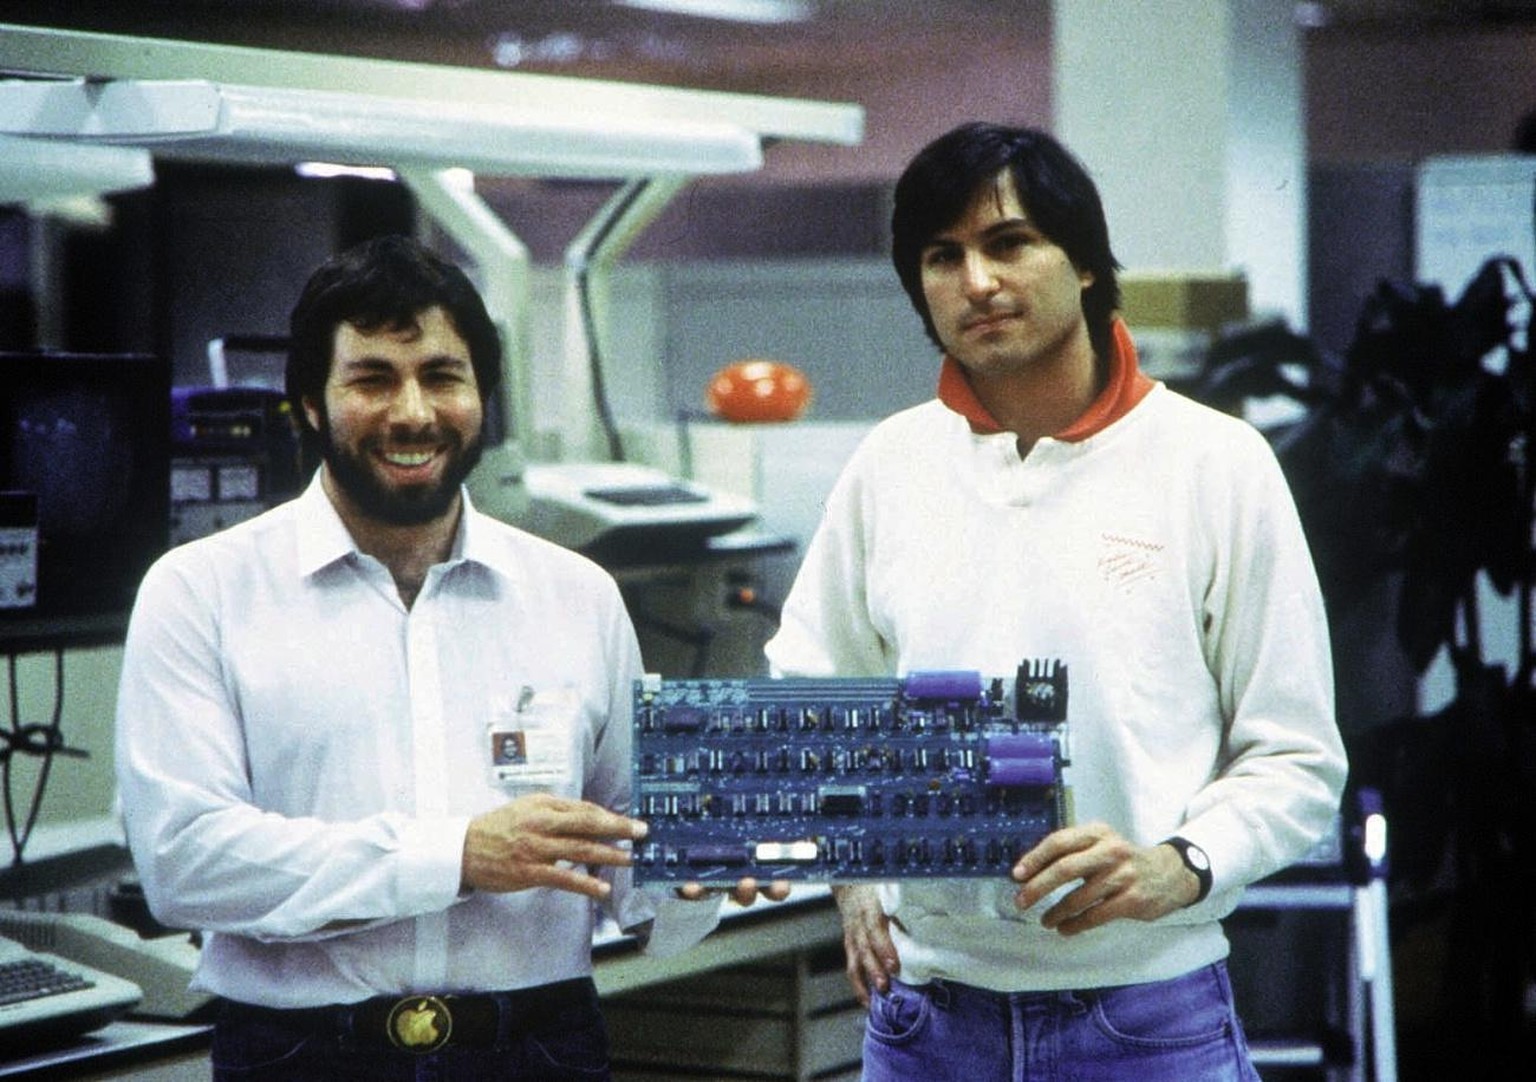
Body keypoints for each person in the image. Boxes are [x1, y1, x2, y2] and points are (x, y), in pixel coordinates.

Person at [115, 234, 780, 1082]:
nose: (413, 413)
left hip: (538, 1048)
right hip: (301, 1055)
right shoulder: (202, 592)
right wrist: (456, 855)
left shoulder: (575, 595)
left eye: (441, 375)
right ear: (311, 405)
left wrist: (691, 874)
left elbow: (621, 844)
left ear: (480, 396)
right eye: (372, 379)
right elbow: (186, 863)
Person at [763, 123, 1348, 1081]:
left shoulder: (1213, 463)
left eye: (1009, 243)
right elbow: (811, 698)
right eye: (943, 257)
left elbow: (1295, 756)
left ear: (1082, 263)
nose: (978, 282)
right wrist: (854, 869)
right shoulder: (891, 465)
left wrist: (1181, 864)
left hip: (1149, 1018)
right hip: (928, 1024)